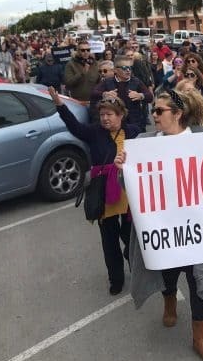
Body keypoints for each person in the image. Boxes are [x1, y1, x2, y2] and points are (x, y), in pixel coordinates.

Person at [116, 90, 203, 361]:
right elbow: (127, 187)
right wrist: (121, 169)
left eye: (159, 111)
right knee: (168, 273)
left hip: (199, 229)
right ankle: (170, 300)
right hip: (164, 230)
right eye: (153, 110)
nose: (153, 115)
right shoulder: (143, 142)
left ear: (178, 114)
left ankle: (200, 337)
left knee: (201, 281)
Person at [48, 87, 139, 295]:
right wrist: (59, 105)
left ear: (120, 115)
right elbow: (74, 126)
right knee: (109, 243)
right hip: (104, 196)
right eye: (102, 115)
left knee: (131, 240)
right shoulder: (94, 132)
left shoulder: (132, 132)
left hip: (127, 195)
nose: (105, 119)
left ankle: (136, 270)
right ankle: (116, 279)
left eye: (109, 115)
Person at [90, 55, 153, 133]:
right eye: (124, 68)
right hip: (114, 125)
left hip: (134, 123)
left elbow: (150, 97)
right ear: (115, 70)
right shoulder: (108, 82)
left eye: (130, 68)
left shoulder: (136, 81)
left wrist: (141, 96)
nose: (128, 70)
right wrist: (104, 94)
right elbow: (93, 93)